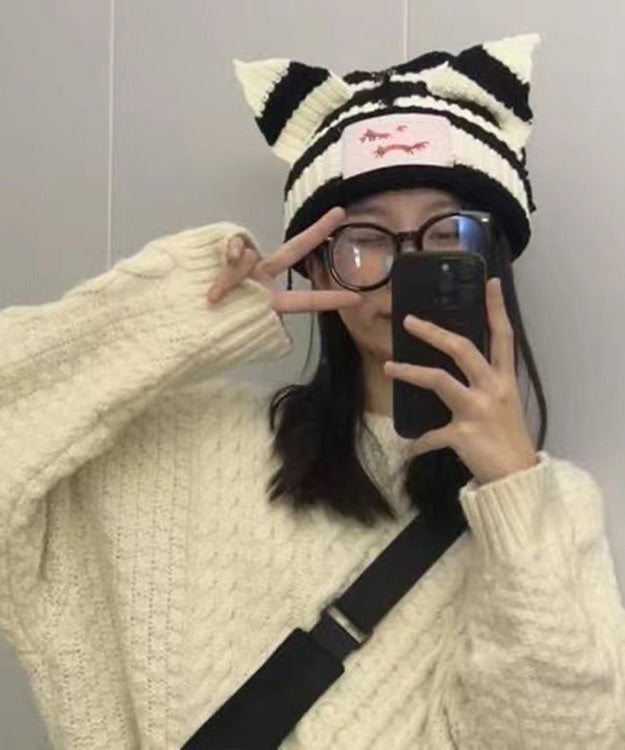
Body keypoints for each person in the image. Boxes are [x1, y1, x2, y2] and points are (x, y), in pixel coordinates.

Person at [0, 30, 624, 750]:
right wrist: (182, 314)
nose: (403, 268)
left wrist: (512, 492)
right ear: (319, 266)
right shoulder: (194, 446)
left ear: (493, 263)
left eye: (447, 234)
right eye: (366, 238)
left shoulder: (551, 506)